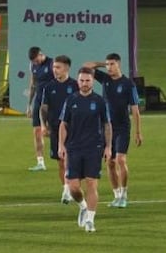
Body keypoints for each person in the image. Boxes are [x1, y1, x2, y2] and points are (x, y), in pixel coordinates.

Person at [83, 53, 142, 208]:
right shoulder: (105, 79)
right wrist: (103, 64)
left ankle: (124, 194)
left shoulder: (128, 84)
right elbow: (87, 66)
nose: (109, 67)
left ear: (119, 64)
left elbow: (135, 110)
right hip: (107, 127)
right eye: (107, 64)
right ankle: (116, 195)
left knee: (121, 160)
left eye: (112, 64)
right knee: (110, 162)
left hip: (122, 127)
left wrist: (138, 132)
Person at [58, 67, 112, 233]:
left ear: (92, 82)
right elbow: (63, 124)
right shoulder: (71, 100)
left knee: (91, 184)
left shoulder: (100, 101)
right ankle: (82, 206)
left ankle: (90, 220)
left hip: (94, 148)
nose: (84, 83)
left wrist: (108, 146)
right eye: (81, 80)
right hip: (74, 148)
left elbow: (107, 125)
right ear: (78, 81)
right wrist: (61, 144)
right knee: (74, 187)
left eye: (88, 81)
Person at [39, 55, 79, 204]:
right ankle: (66, 188)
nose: (55, 70)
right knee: (61, 161)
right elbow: (43, 108)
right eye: (54, 67)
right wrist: (43, 125)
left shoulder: (75, 85)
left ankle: (70, 189)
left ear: (67, 68)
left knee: (71, 160)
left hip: (74, 129)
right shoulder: (49, 87)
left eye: (58, 67)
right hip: (56, 129)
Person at [27, 46, 55, 172]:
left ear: (41, 54)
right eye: (33, 61)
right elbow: (33, 84)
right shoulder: (32, 66)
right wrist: (29, 104)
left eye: (36, 60)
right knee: (37, 132)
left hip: (51, 102)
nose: (35, 63)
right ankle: (40, 162)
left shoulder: (52, 64)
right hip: (38, 101)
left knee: (53, 131)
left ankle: (69, 153)